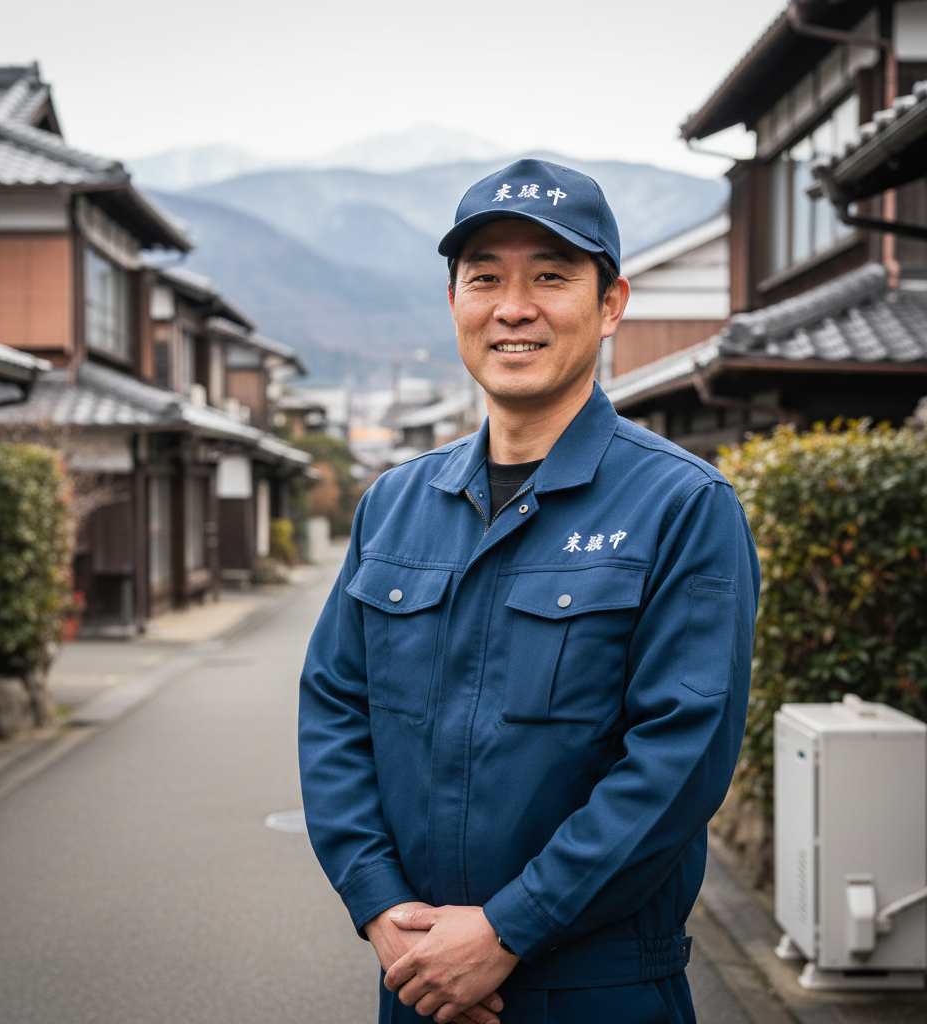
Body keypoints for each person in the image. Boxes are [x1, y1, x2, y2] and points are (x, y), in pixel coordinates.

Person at [298, 158, 759, 1024]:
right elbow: (335, 705)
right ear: (454, 305)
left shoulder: (682, 505)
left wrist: (511, 928)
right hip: (420, 977)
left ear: (610, 303)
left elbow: (680, 756)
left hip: (600, 983)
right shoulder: (395, 505)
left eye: (551, 276)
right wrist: (379, 907)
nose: (514, 306)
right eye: (485, 279)